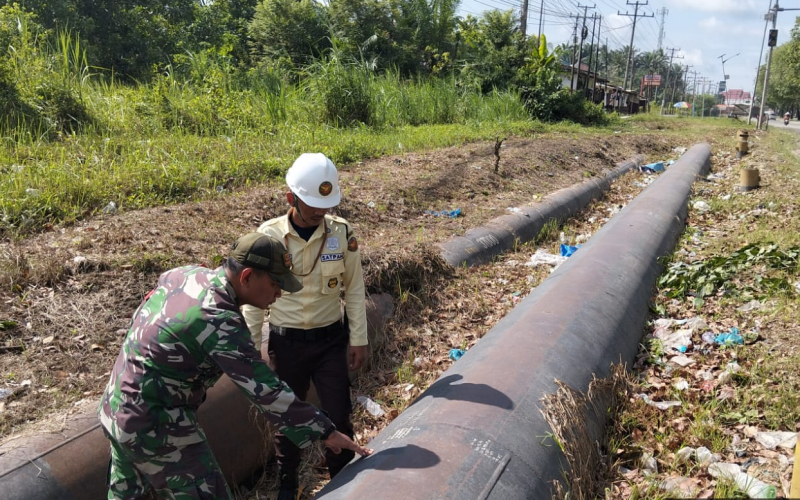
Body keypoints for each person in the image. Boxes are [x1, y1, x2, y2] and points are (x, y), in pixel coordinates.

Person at [98, 232, 371, 500]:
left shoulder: (186, 274)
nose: (279, 293)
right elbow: (267, 392)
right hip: (158, 424)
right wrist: (326, 432)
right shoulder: (218, 319)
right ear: (247, 276)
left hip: (117, 406)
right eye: (276, 284)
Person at [242, 153, 368, 500]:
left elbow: (354, 289)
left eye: (325, 205)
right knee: (287, 421)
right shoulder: (268, 238)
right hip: (287, 345)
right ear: (291, 199)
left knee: (339, 416)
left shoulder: (342, 234)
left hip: (330, 341)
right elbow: (253, 299)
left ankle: (341, 481)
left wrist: (359, 338)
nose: (319, 212)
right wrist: (253, 348)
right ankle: (288, 485)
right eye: (312, 204)